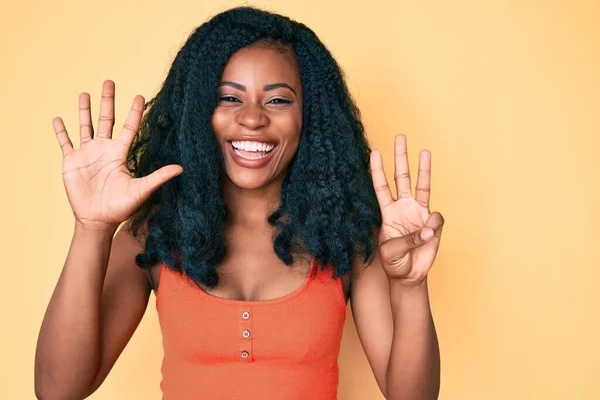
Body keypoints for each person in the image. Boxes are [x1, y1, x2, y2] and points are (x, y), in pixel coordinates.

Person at [34, 6, 445, 400]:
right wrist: (92, 229)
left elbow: (411, 396)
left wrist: (410, 289)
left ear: (311, 117)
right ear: (198, 112)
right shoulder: (154, 234)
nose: (252, 118)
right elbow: (58, 390)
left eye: (278, 100)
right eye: (230, 98)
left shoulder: (348, 239)